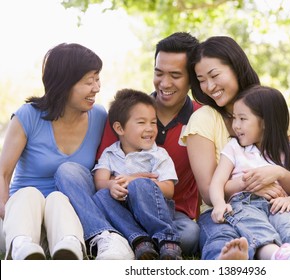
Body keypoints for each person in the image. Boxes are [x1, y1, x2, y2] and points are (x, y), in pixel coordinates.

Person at [182, 36, 290, 260]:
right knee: (222, 239)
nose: (209, 87)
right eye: (201, 80)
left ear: (236, 67)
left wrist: (276, 176)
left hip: (275, 207)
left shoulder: (274, 108)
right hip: (223, 211)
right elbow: (207, 193)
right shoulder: (203, 119)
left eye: (214, 75)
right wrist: (253, 185)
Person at [96, 32, 201, 256]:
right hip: (122, 206)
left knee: (191, 235)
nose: (164, 83)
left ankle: (137, 243)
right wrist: (137, 180)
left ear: (192, 78)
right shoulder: (126, 113)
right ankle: (136, 240)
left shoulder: (202, 118)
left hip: (172, 215)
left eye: (175, 75)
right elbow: (105, 174)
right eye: (159, 73)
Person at [0, 43, 106, 260]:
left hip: (68, 220)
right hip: (24, 217)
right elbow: (2, 174)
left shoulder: (100, 116)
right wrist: (6, 212)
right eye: (89, 81)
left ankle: (69, 249)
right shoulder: (28, 116)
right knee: (28, 194)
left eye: (97, 79)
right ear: (64, 84)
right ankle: (22, 249)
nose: (96, 87)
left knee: (58, 199)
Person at [209, 85, 290, 260]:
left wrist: (289, 200)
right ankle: (276, 255)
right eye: (234, 118)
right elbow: (217, 183)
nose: (236, 125)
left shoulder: (287, 149)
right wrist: (219, 204)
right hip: (245, 204)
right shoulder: (234, 148)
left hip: (278, 204)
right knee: (256, 227)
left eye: (243, 119)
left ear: (265, 122)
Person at [92, 88, 182, 260]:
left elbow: (169, 189)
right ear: (119, 128)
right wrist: (111, 185)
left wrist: (135, 181)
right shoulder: (110, 154)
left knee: (140, 185)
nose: (150, 129)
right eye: (141, 123)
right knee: (101, 196)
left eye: (153, 122)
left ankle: (167, 240)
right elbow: (99, 181)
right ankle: (140, 240)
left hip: (155, 212)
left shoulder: (158, 155)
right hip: (125, 213)